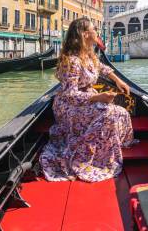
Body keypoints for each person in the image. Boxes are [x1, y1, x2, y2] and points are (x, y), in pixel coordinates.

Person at [39, 17, 135, 182]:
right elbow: (70, 94)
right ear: (85, 35)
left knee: (121, 111)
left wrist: (118, 80)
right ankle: (98, 157)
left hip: (87, 99)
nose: (96, 32)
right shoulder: (72, 61)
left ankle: (113, 145)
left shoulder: (88, 55)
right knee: (108, 113)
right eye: (93, 29)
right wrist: (98, 96)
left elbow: (102, 68)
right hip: (69, 106)